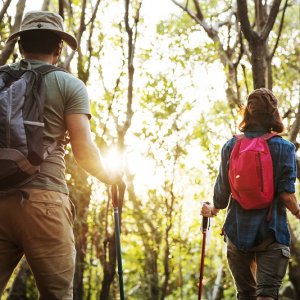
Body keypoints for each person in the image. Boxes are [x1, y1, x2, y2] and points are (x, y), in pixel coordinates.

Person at [0, 11, 121, 299]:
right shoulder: (69, 84)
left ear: (20, 46)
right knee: (57, 295)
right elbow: (83, 151)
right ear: (58, 48)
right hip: (46, 202)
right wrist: (112, 178)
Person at [201, 88, 300, 300]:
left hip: (237, 233)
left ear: (247, 112)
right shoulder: (285, 148)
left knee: (245, 295)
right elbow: (286, 195)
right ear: (274, 114)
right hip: (271, 233)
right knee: (267, 295)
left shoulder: (231, 145)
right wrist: (298, 211)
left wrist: (213, 210)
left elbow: (222, 192)